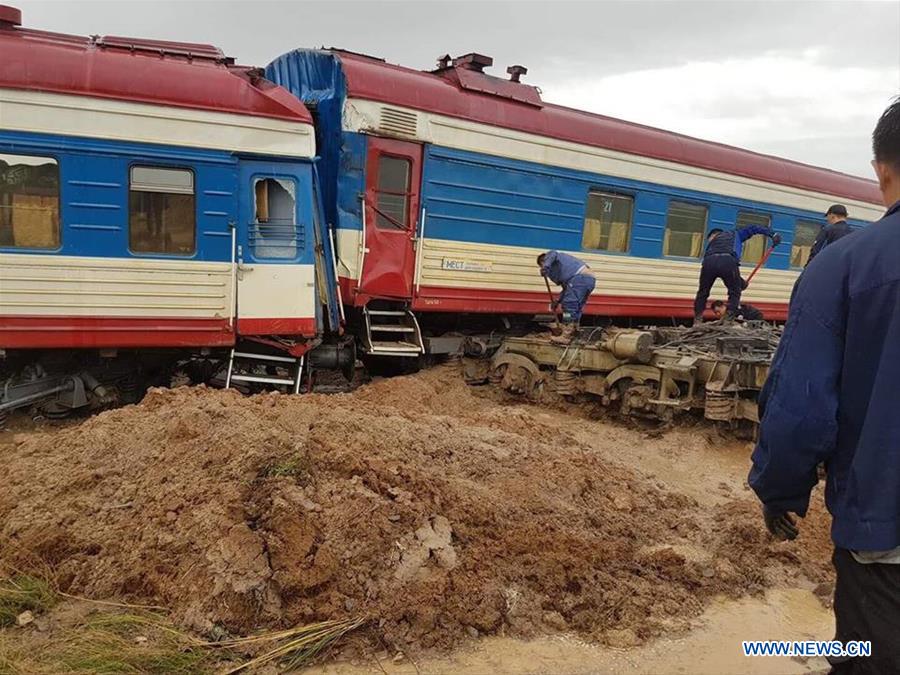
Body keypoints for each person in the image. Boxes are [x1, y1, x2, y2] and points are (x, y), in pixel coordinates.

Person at [748, 97, 900, 674]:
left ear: (881, 170)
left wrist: (780, 490)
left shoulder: (844, 265)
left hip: (884, 540)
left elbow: (802, 408)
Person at [693, 225, 781, 325]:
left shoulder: (712, 244)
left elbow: (718, 262)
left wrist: (741, 282)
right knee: (734, 292)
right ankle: (728, 318)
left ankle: (697, 319)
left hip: (708, 262)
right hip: (728, 260)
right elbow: (753, 228)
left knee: (703, 292)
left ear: (714, 235)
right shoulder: (736, 233)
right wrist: (773, 234)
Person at [537, 250, 596, 344]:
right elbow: (566, 289)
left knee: (568, 306)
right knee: (577, 308)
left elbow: (553, 253)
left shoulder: (551, 256)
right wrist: (558, 301)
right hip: (589, 280)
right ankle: (575, 334)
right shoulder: (567, 271)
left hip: (579, 278)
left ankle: (566, 335)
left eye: (541, 265)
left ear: (543, 261)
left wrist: (545, 267)